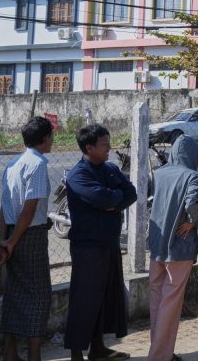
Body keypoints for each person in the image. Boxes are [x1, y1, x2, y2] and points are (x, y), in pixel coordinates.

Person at [63, 124, 137, 361]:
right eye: (104, 145)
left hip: (109, 243)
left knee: (106, 297)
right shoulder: (78, 175)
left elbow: (131, 193)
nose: (109, 149)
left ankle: (98, 348)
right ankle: (76, 353)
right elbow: (103, 196)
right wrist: (113, 197)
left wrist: (111, 201)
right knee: (85, 298)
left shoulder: (111, 168)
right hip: (88, 247)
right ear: (89, 147)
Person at [0, 117, 54, 361]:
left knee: (14, 293)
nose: (52, 139)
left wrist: (4, 240)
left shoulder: (13, 163)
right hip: (28, 236)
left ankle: (10, 354)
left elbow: (4, 207)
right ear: (44, 139)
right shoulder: (38, 164)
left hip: (11, 232)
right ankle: (34, 355)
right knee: (39, 295)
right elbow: (29, 210)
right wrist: (12, 242)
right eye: (50, 135)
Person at [147, 135, 198, 361]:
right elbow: (193, 203)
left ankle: (160, 351)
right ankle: (159, 356)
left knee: (157, 301)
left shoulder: (160, 173)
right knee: (170, 305)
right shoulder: (192, 176)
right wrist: (193, 221)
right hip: (179, 248)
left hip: (156, 245)